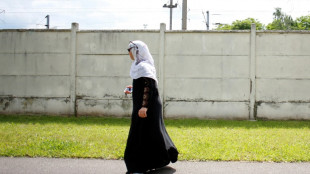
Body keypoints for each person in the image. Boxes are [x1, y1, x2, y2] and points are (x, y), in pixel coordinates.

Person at [124, 40, 178, 174]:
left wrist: (144, 107)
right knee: (151, 133)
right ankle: (161, 158)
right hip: (146, 105)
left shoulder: (144, 66)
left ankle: (137, 166)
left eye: (129, 50)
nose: (128, 53)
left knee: (139, 134)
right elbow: (144, 85)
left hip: (147, 107)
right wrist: (133, 89)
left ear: (137, 50)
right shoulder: (138, 66)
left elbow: (149, 87)